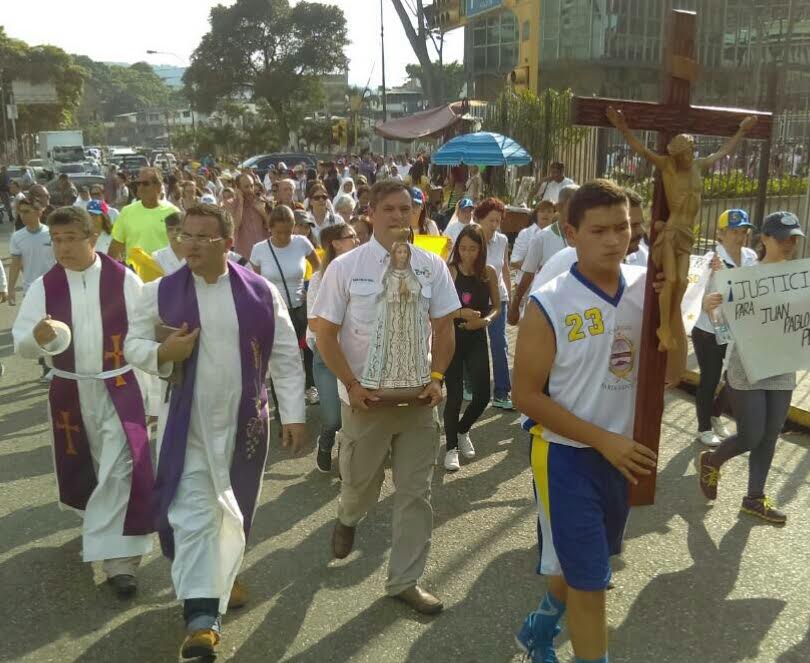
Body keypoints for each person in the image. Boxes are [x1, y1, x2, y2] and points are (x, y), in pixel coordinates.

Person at [124, 203, 306, 659]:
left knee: (232, 511)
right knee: (192, 512)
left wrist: (295, 412)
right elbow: (132, 344)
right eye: (186, 235)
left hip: (245, 420)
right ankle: (202, 619)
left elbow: (284, 353)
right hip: (187, 423)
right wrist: (164, 351)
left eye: (204, 238)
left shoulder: (260, 293)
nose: (192, 245)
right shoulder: (159, 292)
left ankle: (221, 580)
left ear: (227, 243)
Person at [512, 179, 657, 663]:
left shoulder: (647, 290)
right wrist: (602, 440)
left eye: (623, 228)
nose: (615, 240)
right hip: (566, 458)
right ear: (571, 233)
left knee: (579, 565)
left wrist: (673, 309)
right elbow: (526, 395)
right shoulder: (549, 302)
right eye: (600, 231)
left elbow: (671, 375)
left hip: (623, 459)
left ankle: (541, 625)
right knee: (592, 583)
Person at [312, 179, 459, 614]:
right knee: (360, 484)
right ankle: (348, 516)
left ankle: (405, 581)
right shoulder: (346, 267)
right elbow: (324, 333)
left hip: (418, 402)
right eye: (390, 209)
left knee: (416, 493)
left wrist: (437, 377)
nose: (399, 217)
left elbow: (445, 328)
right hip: (367, 403)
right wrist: (352, 387)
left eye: (406, 209)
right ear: (370, 214)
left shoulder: (432, 266)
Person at [12, 206, 155, 598]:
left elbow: (144, 334)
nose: (62, 248)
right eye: (56, 241)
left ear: (91, 238)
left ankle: (119, 563)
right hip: (70, 389)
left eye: (71, 239)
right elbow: (22, 342)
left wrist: (154, 393)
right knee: (89, 466)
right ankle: (96, 525)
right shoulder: (45, 286)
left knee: (120, 467)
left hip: (120, 386)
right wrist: (37, 338)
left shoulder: (123, 278)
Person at [698, 211, 804, 526]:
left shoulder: (800, 277)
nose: (789, 244)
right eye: (782, 237)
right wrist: (712, 309)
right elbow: (723, 328)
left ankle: (754, 499)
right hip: (748, 368)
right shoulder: (745, 278)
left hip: (783, 368)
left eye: (794, 238)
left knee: (770, 435)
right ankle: (712, 460)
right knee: (751, 435)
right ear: (764, 239)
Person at [692, 209, 757, 447]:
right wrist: (702, 302)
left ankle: (715, 414)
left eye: (743, 231)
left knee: (736, 377)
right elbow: (691, 292)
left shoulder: (750, 256)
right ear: (720, 234)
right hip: (709, 330)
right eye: (734, 232)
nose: (740, 237)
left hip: (737, 328)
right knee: (709, 380)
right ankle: (703, 428)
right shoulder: (710, 260)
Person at [443, 224, 500, 471]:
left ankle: (463, 429)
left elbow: (497, 306)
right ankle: (451, 447)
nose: (467, 254)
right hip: (452, 338)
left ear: (481, 249)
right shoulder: (450, 271)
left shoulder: (488, 272)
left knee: (482, 395)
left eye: (473, 249)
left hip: (476, 337)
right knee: (454, 396)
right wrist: (460, 313)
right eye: (463, 248)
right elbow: (437, 308)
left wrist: (485, 320)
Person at [250, 205, 321, 404]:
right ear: (269, 228)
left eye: (288, 231)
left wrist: (312, 287)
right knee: (281, 356)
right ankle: (282, 399)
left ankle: (311, 387)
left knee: (308, 348)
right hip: (273, 311)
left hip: (301, 307)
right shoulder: (260, 249)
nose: (283, 237)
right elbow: (254, 281)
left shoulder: (301, 243)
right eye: (278, 232)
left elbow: (317, 266)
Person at [307, 222, 359, 472]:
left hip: (356, 353)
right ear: (335, 244)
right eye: (352, 236)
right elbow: (315, 322)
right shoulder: (319, 278)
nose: (358, 240)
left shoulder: (364, 274)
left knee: (354, 416)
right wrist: (348, 318)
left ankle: (346, 460)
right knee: (333, 417)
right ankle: (326, 439)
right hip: (326, 355)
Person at [508, 185, 579, 325]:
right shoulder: (541, 238)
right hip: (546, 308)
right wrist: (515, 307)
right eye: (573, 205)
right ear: (559, 207)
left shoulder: (586, 236)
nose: (578, 210)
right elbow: (528, 274)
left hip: (575, 309)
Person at [475, 197, 513, 409]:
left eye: (497, 221)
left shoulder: (503, 240)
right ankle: (471, 385)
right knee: (475, 345)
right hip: (477, 299)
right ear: (479, 219)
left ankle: (501, 392)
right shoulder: (471, 238)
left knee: (499, 343)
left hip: (499, 298)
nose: (494, 225)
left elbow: (505, 268)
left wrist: (510, 295)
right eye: (490, 220)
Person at [109, 168, 180, 263]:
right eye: (138, 184)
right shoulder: (127, 212)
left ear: (158, 186)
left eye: (145, 184)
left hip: (166, 274)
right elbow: (115, 246)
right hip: (135, 274)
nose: (141, 187)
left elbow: (181, 246)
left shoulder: (173, 212)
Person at [7, 195, 55, 307]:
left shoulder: (52, 233)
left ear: (39, 212)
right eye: (20, 212)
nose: (22, 215)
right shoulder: (17, 237)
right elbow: (15, 264)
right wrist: (11, 289)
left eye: (26, 211)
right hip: (30, 289)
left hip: (53, 286)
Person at [224, 173, 270, 260]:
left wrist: (262, 211)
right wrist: (240, 202)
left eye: (251, 186)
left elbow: (270, 226)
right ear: (238, 188)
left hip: (264, 253)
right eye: (246, 187)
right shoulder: (230, 204)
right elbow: (235, 226)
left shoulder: (261, 201)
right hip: (244, 255)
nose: (250, 190)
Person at [511, 200, 555, 269]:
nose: (545, 214)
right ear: (536, 214)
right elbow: (515, 261)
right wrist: (538, 269)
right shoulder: (525, 233)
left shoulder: (558, 235)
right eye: (542, 211)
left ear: (553, 215)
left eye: (549, 211)